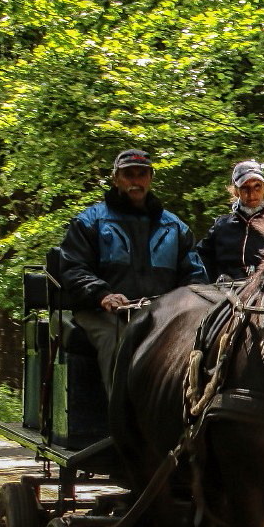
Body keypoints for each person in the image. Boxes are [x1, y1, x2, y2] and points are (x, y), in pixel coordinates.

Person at [58, 148, 207, 395]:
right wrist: (103, 295)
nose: (135, 181)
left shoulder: (175, 227)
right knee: (117, 339)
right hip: (100, 312)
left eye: (141, 174)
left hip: (160, 312)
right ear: (116, 178)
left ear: (150, 178)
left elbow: (195, 275)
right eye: (129, 175)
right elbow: (73, 268)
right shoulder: (89, 221)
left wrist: (186, 304)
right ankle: (119, 422)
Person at [197, 160, 264, 282]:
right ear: (235, 191)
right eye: (245, 188)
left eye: (257, 186)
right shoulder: (221, 227)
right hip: (225, 294)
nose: (252, 194)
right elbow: (199, 261)